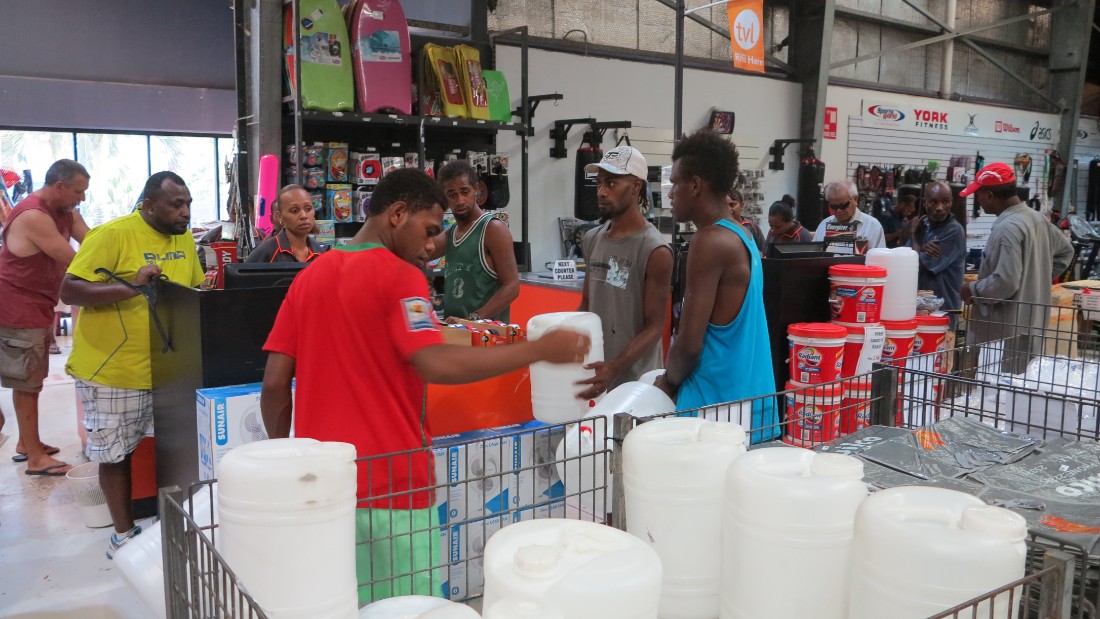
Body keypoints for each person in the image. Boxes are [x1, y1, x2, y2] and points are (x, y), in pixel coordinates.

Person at [259, 168, 589, 605]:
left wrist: (288, 457)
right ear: (397, 214)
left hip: (324, 490)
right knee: (407, 610)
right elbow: (434, 362)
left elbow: (275, 386)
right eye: (430, 230)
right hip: (395, 490)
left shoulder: (308, 279)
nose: (433, 246)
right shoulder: (402, 277)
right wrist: (538, 349)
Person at [60, 171, 206, 558]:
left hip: (169, 367)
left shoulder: (184, 239)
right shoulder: (111, 235)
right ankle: (122, 535)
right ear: (148, 205)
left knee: (176, 449)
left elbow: (193, 290)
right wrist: (132, 286)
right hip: (113, 369)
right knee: (115, 453)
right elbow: (70, 288)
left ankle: (170, 524)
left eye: (188, 203)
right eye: (176, 204)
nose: (185, 212)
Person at [656, 130, 777, 441]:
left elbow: (690, 344)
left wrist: (667, 383)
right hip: (750, 404)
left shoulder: (709, 241)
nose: (670, 193)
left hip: (712, 412)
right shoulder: (742, 235)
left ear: (695, 185)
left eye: (676, 183)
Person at [0, 159, 90, 475]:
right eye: (78, 192)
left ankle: (27, 444)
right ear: (60, 187)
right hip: (15, 306)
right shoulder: (34, 215)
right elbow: (76, 261)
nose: (82, 198)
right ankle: (35, 458)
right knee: (27, 382)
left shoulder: (66, 211)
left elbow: (90, 242)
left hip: (38, 304)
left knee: (33, 377)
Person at [575, 145, 672, 399]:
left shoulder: (655, 249)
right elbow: (587, 304)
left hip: (635, 386)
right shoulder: (592, 238)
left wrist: (614, 367)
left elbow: (654, 327)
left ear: (636, 186)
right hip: (596, 375)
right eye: (599, 184)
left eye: (611, 183)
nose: (602, 192)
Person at [960, 163, 1073, 372]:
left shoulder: (1007, 228)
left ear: (990, 195)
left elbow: (1005, 282)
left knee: (995, 394)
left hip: (1002, 335)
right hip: (1032, 325)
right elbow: (1067, 251)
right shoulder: (1037, 218)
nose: (977, 200)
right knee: (1023, 390)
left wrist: (972, 290)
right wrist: (1034, 279)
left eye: (978, 194)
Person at [430, 160, 519, 322]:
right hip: (458, 335)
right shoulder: (451, 234)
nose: (460, 200)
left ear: (476, 189)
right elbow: (419, 251)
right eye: (452, 194)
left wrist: (474, 318)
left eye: (465, 192)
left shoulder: (493, 229)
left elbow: (512, 286)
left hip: (488, 338)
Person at [909, 182, 967, 329]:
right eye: (933, 202)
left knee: (944, 351)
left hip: (944, 311)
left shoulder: (954, 231)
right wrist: (921, 248)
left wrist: (915, 240)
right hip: (919, 309)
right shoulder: (923, 226)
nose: (940, 208)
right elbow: (905, 261)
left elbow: (914, 263)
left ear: (951, 202)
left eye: (945, 202)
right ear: (924, 203)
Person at [245, 184, 323, 263]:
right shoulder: (266, 251)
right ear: (280, 217)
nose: (304, 215)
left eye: (308, 209)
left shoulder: (319, 252)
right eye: (294, 211)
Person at [812, 180, 886, 253]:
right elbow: (814, 256)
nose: (839, 211)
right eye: (834, 206)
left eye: (843, 205)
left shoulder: (872, 226)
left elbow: (879, 260)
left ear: (855, 199)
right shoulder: (824, 225)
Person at [727, 188, 764, 254]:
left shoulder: (752, 227)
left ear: (742, 205)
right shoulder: (720, 227)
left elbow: (763, 250)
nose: (729, 209)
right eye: (725, 206)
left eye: (732, 205)